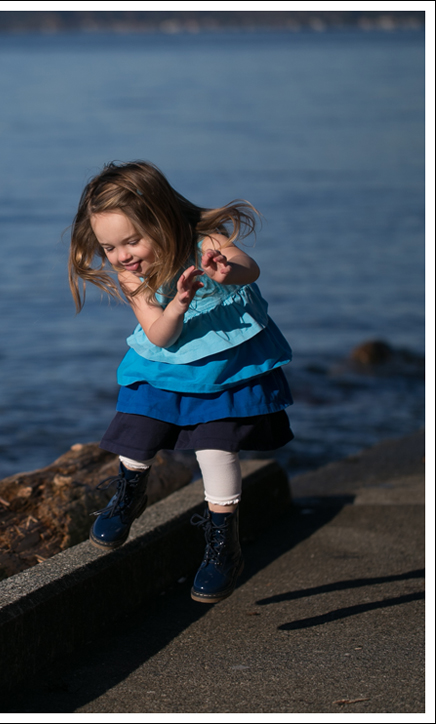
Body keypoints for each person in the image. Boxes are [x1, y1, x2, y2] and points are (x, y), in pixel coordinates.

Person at [68, 160, 294, 603]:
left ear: (163, 219)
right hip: (166, 360)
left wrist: (227, 271)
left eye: (132, 240)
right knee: (137, 428)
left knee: (215, 447)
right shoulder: (131, 275)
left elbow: (251, 269)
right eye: (110, 247)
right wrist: (178, 304)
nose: (122, 255)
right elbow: (160, 334)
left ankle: (221, 546)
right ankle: (129, 496)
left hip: (224, 367)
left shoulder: (206, 241)